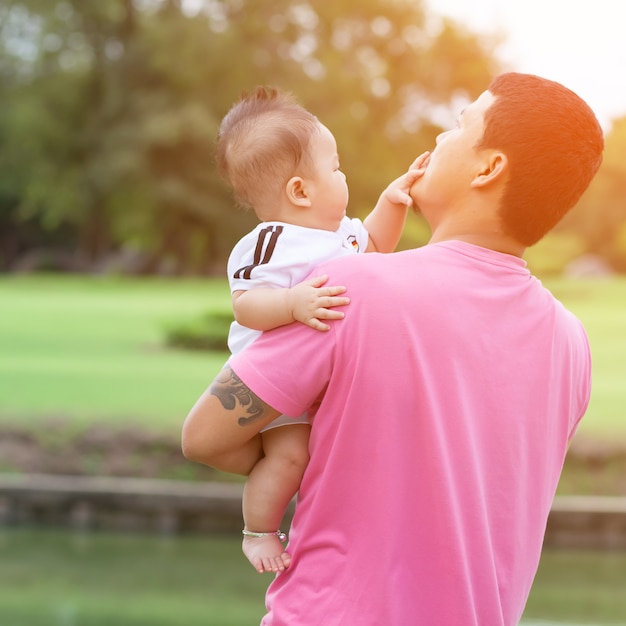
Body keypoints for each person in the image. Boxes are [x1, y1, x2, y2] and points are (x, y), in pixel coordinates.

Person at [182, 73, 604, 625]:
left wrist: (302, 462)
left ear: (489, 167)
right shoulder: (571, 343)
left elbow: (205, 436)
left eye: (458, 126)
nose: (439, 139)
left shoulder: (352, 288)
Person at [212, 86, 426, 575]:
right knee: (289, 457)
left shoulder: (339, 236)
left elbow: (373, 245)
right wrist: (292, 303)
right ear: (300, 191)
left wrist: (394, 202)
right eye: (335, 167)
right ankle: (259, 531)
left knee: (335, 455)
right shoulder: (269, 244)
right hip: (276, 386)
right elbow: (246, 306)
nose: (342, 174)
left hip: (323, 385)